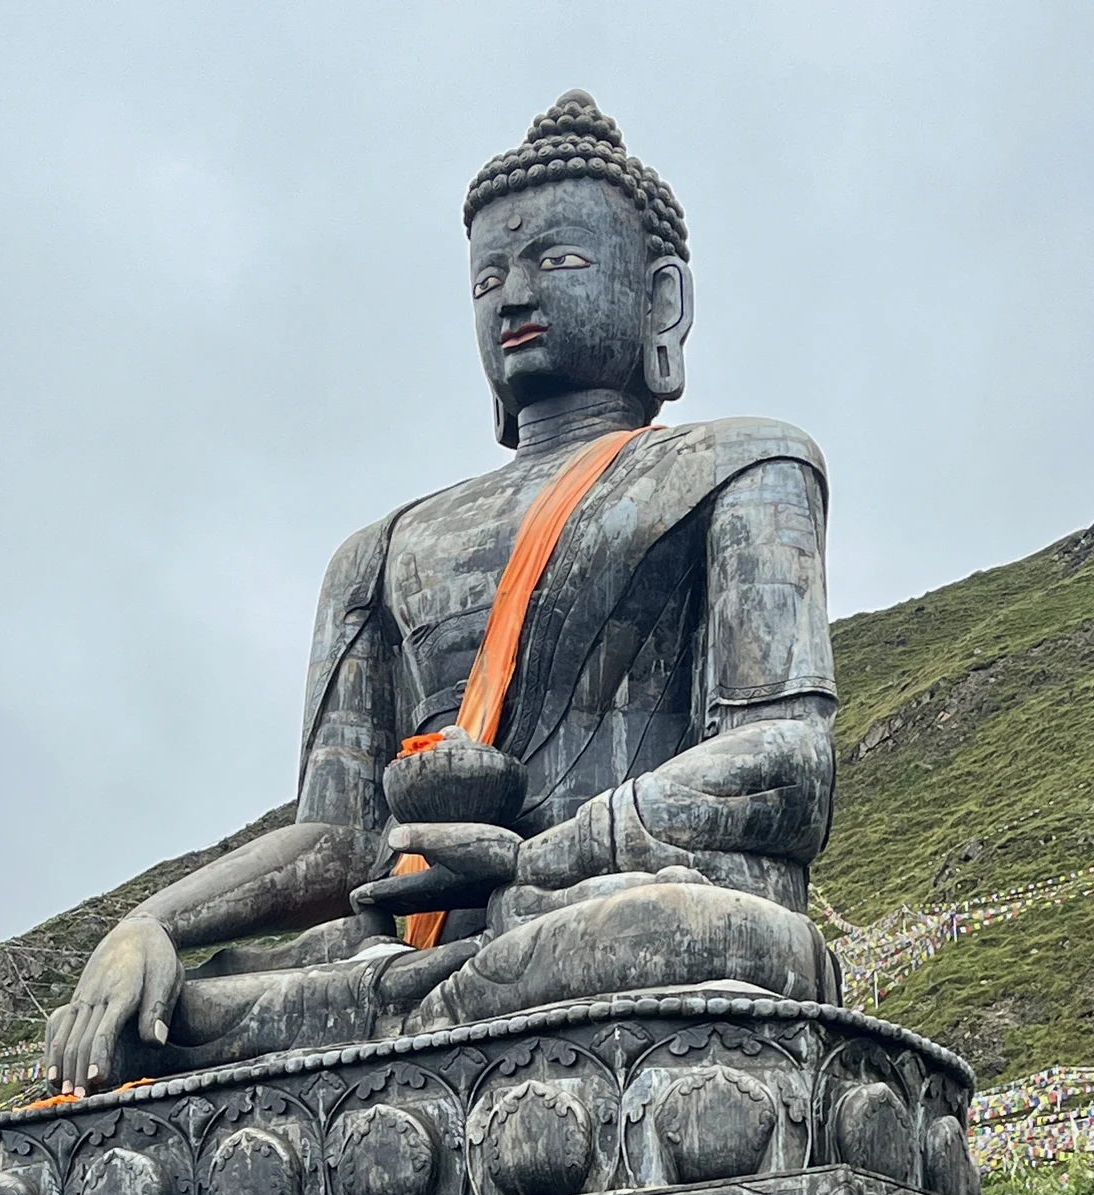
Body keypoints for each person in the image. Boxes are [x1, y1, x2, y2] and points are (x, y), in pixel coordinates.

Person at [45, 91, 840, 1092]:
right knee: (146, 1023)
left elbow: (788, 765)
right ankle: (406, 1023)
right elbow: (338, 838)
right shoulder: (382, 549)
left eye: (558, 262)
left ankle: (413, 1033)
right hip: (413, 952)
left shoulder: (745, 465)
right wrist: (149, 924)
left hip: (596, 910)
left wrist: (539, 860)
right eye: (488, 277)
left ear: (662, 299)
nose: (513, 297)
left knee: (687, 936)